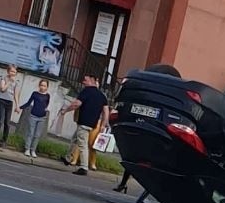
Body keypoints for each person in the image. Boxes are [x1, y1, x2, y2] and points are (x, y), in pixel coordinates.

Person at [113, 63, 183, 193]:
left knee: (139, 158)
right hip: (146, 131)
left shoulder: (150, 99)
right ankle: (126, 183)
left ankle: (126, 184)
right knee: (136, 158)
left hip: (148, 132)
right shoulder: (151, 100)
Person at [60, 75, 109, 176]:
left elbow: (76, 104)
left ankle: (83, 167)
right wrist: (103, 124)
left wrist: (65, 110)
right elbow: (106, 111)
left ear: (92, 80)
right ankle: (68, 158)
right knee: (75, 139)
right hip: (92, 124)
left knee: (82, 144)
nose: (83, 82)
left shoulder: (86, 91)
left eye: (85, 80)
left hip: (84, 122)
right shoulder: (102, 95)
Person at [0, 64, 20, 147]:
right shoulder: (3, 78)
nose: (13, 73)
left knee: (7, 123)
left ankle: (3, 140)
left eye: (15, 72)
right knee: (0, 121)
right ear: (8, 71)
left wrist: (17, 106)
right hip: (2, 101)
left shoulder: (17, 82)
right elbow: (2, 89)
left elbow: (16, 95)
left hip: (9, 103)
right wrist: (9, 82)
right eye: (11, 71)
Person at [20, 79, 50, 158]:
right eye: (41, 85)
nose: (43, 87)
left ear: (47, 87)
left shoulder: (47, 96)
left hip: (42, 117)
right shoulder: (35, 93)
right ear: (39, 85)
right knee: (30, 133)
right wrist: (20, 107)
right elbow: (29, 103)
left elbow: (46, 104)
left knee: (37, 135)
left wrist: (45, 109)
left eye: (44, 86)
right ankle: (27, 149)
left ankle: (33, 150)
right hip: (33, 116)